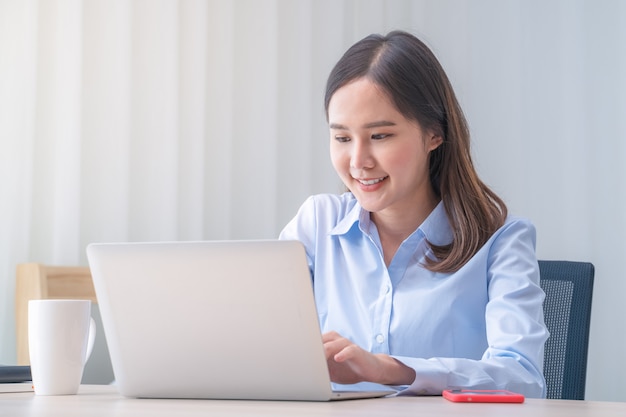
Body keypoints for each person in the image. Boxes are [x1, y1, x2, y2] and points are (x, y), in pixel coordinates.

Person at [279, 30, 548, 398]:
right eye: (342, 138)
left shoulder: (501, 239)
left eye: (380, 136)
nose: (358, 161)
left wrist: (390, 369)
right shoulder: (316, 223)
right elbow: (258, 341)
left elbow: (522, 377)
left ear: (434, 134)